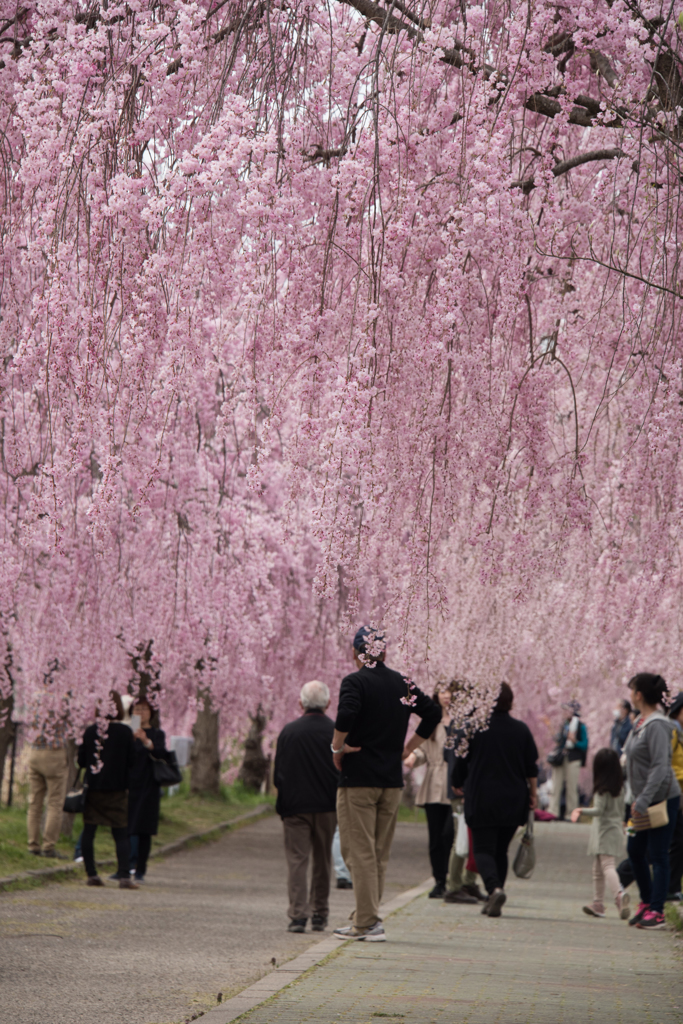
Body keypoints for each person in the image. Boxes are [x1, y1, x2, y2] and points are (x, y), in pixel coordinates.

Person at [331, 626, 441, 942]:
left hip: (359, 780)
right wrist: (408, 748)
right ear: (385, 652)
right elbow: (432, 713)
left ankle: (367, 923)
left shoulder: (355, 681)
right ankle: (365, 916)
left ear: (356, 653)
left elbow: (347, 713)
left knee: (357, 849)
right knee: (378, 851)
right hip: (391, 781)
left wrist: (337, 747)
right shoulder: (401, 683)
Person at [454, 682, 538, 918]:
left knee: (482, 848)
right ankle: (495, 896)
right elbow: (531, 768)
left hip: (482, 797)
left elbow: (461, 760)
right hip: (513, 798)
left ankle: (494, 889)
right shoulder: (521, 730)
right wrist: (533, 794)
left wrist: (457, 780)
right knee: (500, 850)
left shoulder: (474, 727)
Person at [274, 680, 339, 933]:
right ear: (329, 703)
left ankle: (298, 916)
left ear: (300, 703)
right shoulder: (335, 731)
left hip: (295, 807)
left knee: (297, 861)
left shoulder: (289, 732)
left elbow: (278, 774)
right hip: (327, 805)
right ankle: (320, 913)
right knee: (323, 860)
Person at [623, 672, 680, 929]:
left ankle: (657, 911)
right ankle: (647, 901)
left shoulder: (657, 725)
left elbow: (660, 766)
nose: (630, 694)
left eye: (632, 689)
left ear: (640, 694)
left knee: (658, 854)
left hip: (660, 799)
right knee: (635, 851)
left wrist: (644, 798)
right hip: (641, 798)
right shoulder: (641, 722)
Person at [77, 691, 137, 889]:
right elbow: (132, 761)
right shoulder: (125, 732)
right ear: (118, 707)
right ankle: (124, 876)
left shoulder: (90, 731)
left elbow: (81, 761)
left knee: (89, 830)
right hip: (118, 789)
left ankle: (92, 874)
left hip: (93, 788)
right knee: (120, 833)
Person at [407, 682, 456, 898]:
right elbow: (422, 750)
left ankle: (455, 878)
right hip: (434, 784)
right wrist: (412, 757)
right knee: (436, 836)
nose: (446, 696)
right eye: (442, 691)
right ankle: (439, 880)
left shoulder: (463, 723)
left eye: (450, 692)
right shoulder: (432, 722)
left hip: (455, 784)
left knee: (451, 834)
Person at [570, 748, 629, 919]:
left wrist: (581, 811)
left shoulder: (602, 790)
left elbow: (599, 810)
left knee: (607, 866)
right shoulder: (619, 788)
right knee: (598, 869)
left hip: (604, 832)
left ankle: (619, 895)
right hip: (615, 830)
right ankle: (598, 903)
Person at [125, 696, 169, 883]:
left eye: (144, 709)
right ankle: (125, 867)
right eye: (137, 710)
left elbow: (161, 753)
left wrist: (146, 741)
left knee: (144, 829)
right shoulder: (128, 733)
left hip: (150, 785)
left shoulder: (157, 734)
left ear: (151, 713)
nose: (140, 713)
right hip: (130, 784)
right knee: (126, 828)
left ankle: (140, 869)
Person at [26, 717, 71, 859]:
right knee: (55, 802)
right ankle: (48, 846)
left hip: (35, 752)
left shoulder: (34, 696)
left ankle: (32, 845)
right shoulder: (64, 697)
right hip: (54, 752)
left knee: (35, 803)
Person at [548, 700, 588, 819]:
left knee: (572, 787)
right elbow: (560, 741)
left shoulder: (581, 726)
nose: (564, 712)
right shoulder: (564, 724)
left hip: (573, 759)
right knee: (556, 785)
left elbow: (585, 744)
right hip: (561, 757)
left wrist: (574, 741)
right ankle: (552, 811)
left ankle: (571, 813)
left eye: (567, 710)